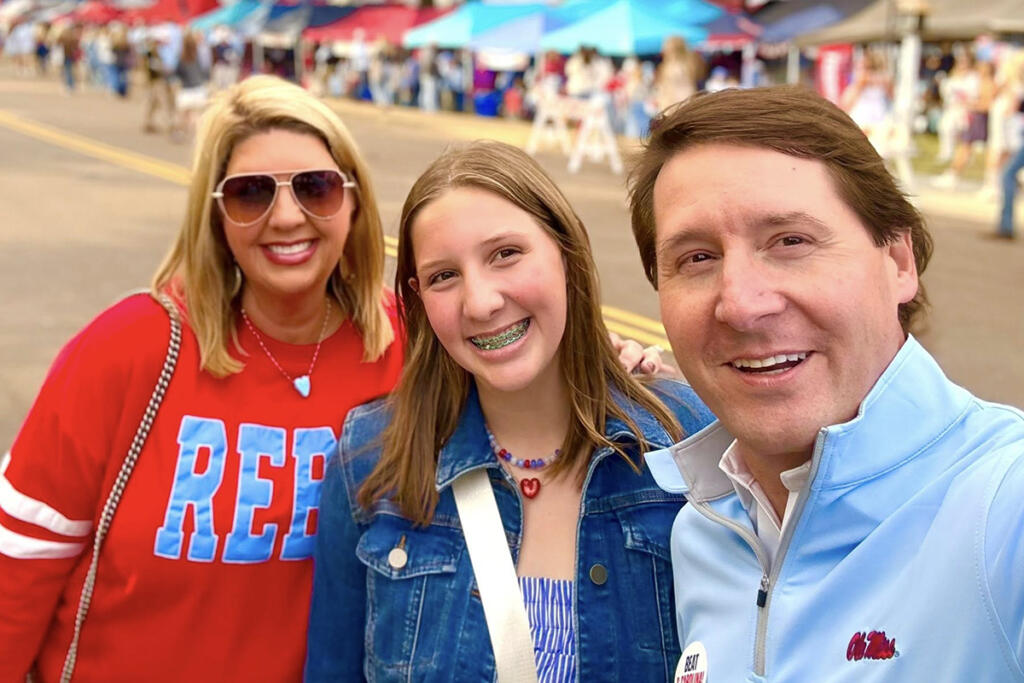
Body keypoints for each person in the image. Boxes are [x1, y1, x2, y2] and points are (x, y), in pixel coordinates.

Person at [0, 75, 402, 682]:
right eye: (250, 193)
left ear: (353, 202)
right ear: (216, 216)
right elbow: (19, 564)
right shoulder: (129, 348)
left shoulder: (410, 350)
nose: (286, 216)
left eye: (315, 187)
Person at [628, 85, 1024, 681]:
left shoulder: (1003, 510)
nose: (742, 305)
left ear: (898, 262)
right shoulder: (703, 533)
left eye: (791, 241)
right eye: (698, 259)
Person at [305, 140, 715, 681]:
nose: (481, 302)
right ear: (419, 298)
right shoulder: (371, 460)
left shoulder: (687, 442)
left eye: (505, 254)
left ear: (565, 252)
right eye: (444, 276)